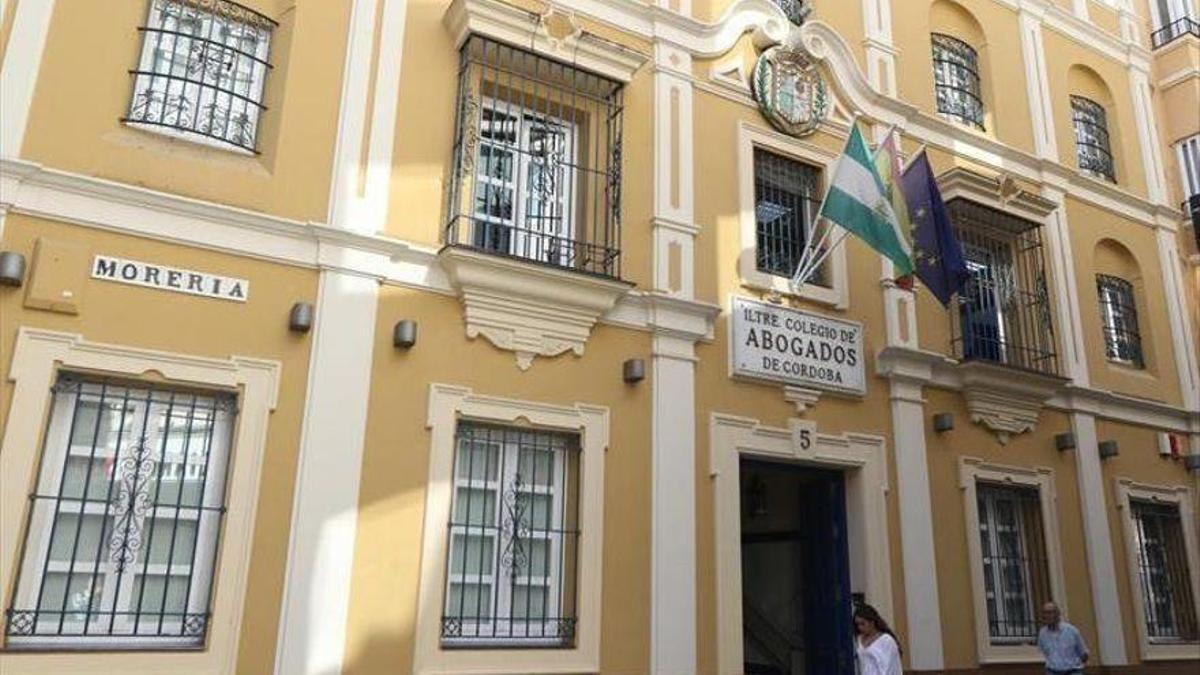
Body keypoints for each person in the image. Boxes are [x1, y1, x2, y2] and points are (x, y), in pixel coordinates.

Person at [1037, 601, 1089, 675]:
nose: (1047, 616)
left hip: (1072, 671)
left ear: (1058, 614)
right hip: (1052, 671)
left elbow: (1084, 653)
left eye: (1050, 612)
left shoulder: (1071, 631)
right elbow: (1043, 653)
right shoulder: (1042, 633)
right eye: (1044, 613)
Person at [854, 603, 902, 675]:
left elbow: (889, 667)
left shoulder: (886, 640)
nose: (860, 627)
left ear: (872, 622)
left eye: (863, 624)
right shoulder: (859, 639)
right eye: (857, 624)